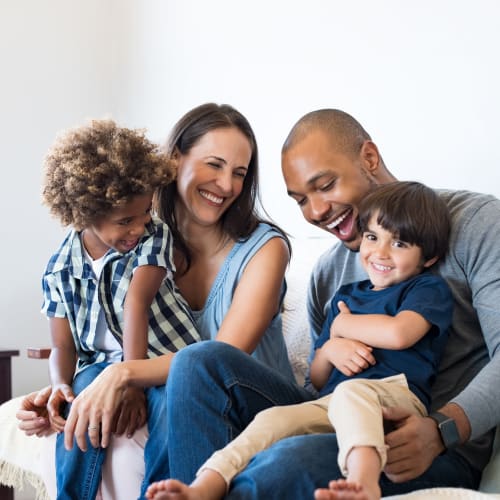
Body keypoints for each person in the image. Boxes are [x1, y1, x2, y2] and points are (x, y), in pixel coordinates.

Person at [161, 109, 500, 498]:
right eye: (301, 200)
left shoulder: (476, 223)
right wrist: (330, 348)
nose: (316, 212)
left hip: (426, 443)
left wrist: (443, 429)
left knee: (285, 462)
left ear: (369, 159)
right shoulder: (329, 273)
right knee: (199, 361)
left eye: (325, 185)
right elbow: (319, 385)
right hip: (336, 413)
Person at [16, 103, 294, 499]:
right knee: (92, 392)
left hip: (252, 401)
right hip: (176, 387)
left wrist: (124, 374)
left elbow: (220, 359)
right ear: (175, 158)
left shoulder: (264, 249)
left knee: (192, 370)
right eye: (214, 164)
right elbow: (93, 331)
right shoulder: (136, 237)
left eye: (239, 173)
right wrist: (65, 389)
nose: (227, 185)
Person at [145, 181, 453, 500]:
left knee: (352, 391)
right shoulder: (346, 297)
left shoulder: (425, 289)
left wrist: (344, 326)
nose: (380, 253)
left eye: (400, 244)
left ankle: (364, 482)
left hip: (395, 398)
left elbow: (399, 333)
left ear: (428, 258)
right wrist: (332, 346)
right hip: (331, 402)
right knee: (272, 419)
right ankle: (204, 486)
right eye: (373, 237)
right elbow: (318, 378)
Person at [40, 118, 201, 499]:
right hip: (98, 365)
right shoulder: (59, 268)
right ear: (84, 214)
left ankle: (161, 493)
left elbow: (136, 303)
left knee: (168, 409)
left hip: (164, 358)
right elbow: (63, 346)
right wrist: (59, 385)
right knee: (81, 402)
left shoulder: (152, 235)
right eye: (125, 220)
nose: (139, 226)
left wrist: (130, 380)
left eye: (145, 212)